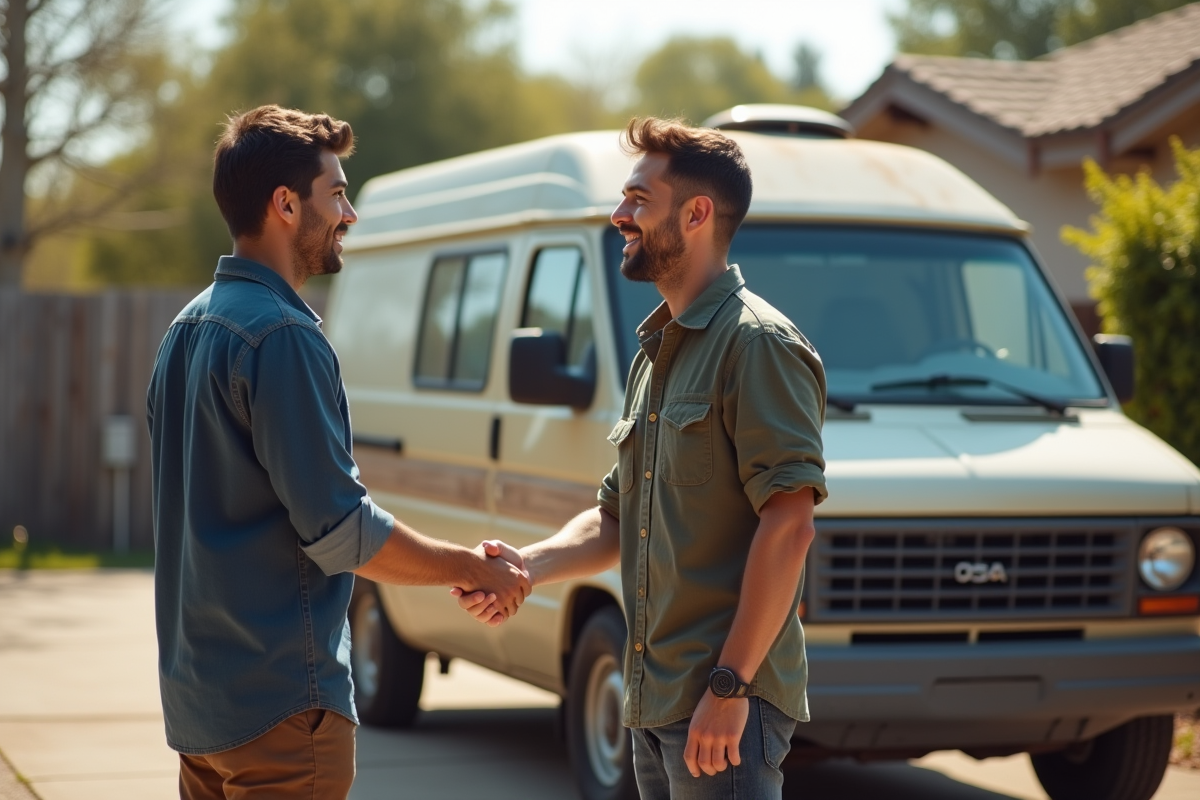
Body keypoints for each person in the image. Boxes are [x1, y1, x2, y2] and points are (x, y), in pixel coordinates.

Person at [147, 105, 530, 800]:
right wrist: (470, 567)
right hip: (281, 709)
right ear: (286, 204)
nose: (349, 213)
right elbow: (341, 532)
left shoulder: (185, 329)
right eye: (338, 194)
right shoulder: (282, 336)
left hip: (201, 710)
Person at [457, 117, 827, 799]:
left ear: (696, 214)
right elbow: (617, 516)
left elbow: (790, 527)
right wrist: (525, 566)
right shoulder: (654, 356)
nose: (617, 215)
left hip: (723, 704)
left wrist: (729, 684)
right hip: (656, 703)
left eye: (637, 200)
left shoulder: (757, 345)